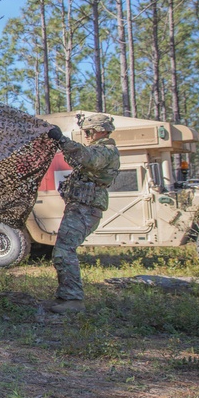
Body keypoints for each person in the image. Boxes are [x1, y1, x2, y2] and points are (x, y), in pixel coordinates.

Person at [46, 114, 120, 313]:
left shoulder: (106, 150)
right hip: (80, 206)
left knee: (64, 251)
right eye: (85, 132)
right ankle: (67, 297)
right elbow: (77, 157)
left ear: (101, 131)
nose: (86, 135)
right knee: (62, 250)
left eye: (89, 132)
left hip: (86, 207)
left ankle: (73, 300)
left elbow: (87, 158)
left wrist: (62, 139)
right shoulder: (98, 149)